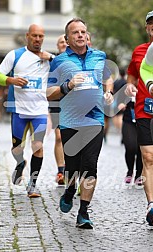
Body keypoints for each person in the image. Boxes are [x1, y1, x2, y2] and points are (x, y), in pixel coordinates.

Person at [47, 18, 113, 229]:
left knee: (90, 166)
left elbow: (108, 78)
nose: (81, 35)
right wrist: (68, 85)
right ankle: (69, 190)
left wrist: (108, 91)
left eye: (83, 31)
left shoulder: (100, 56)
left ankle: (83, 211)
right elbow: (49, 93)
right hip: (70, 122)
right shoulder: (59, 61)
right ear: (67, 39)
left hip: (95, 120)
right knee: (73, 168)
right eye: (75, 32)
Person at [0, 24, 52, 198]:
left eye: (41, 36)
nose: (37, 39)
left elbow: (66, 66)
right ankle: (20, 163)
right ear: (27, 36)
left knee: (38, 147)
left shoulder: (49, 58)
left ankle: (32, 185)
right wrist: (11, 80)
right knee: (16, 148)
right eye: (34, 36)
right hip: (19, 110)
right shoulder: (15, 55)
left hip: (40, 111)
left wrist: (53, 58)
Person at [125, 10, 153, 226]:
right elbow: (132, 77)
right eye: (151, 23)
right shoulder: (139, 52)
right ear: (146, 28)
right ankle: (151, 205)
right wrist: (130, 86)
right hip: (145, 109)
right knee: (148, 157)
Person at [49, 34, 67, 185]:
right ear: (57, 46)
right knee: (60, 136)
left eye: (65, 42)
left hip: (74, 102)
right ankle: (61, 171)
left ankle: (73, 168)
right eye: (61, 42)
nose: (64, 44)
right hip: (57, 102)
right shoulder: (53, 61)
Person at [122, 97, 143, 185]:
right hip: (129, 119)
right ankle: (130, 171)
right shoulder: (126, 86)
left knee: (141, 149)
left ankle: (139, 174)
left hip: (144, 119)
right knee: (131, 146)